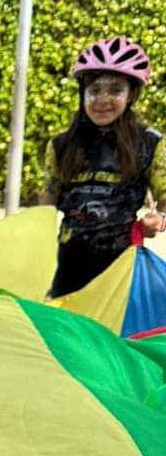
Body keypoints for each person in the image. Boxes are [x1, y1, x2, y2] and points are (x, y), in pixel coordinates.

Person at [45, 35, 166, 299]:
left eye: (115, 90)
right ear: (83, 94)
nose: (102, 99)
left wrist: (159, 219)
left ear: (131, 94)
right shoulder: (60, 146)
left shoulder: (149, 143)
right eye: (94, 90)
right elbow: (45, 205)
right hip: (69, 266)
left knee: (111, 336)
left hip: (119, 265)